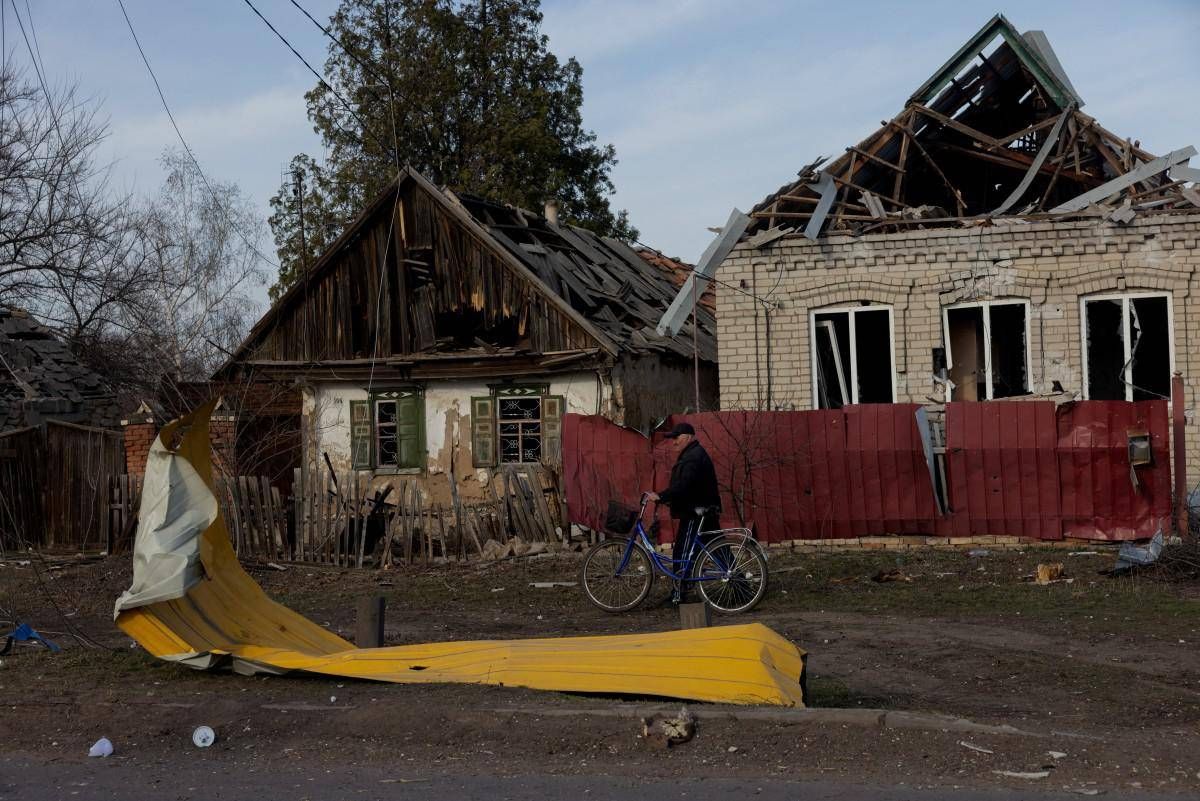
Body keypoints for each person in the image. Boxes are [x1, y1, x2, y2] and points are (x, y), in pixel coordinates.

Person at [646, 422, 720, 604]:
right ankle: (740, 585)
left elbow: (683, 486)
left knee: (683, 553)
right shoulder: (691, 454)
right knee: (719, 549)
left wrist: (660, 496)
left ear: (688, 436)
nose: (673, 442)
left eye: (676, 437)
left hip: (695, 513)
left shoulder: (693, 457)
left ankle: (678, 595)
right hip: (701, 510)